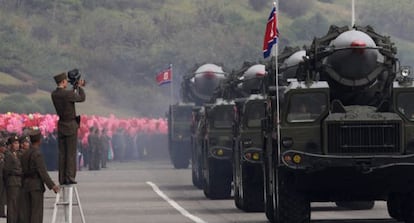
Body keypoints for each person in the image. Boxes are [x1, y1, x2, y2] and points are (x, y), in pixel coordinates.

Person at [51, 72, 86, 185]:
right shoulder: (67, 94)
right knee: (71, 153)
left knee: (62, 154)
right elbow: (81, 98)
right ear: (63, 82)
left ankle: (62, 177)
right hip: (70, 125)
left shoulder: (54, 94)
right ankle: (70, 176)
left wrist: (74, 87)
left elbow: (69, 95)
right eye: (66, 80)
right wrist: (78, 87)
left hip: (61, 124)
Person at [21, 129, 59, 223]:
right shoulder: (37, 154)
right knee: (36, 213)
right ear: (39, 141)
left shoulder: (25, 154)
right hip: (36, 186)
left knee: (27, 212)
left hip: (25, 185)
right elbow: (42, 172)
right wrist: (52, 186)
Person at [4, 133, 23, 223]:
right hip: (12, 183)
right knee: (12, 206)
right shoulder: (8, 155)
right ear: (11, 145)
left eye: (18, 143)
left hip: (18, 183)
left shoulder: (18, 154)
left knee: (17, 206)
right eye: (15, 143)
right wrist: (17, 172)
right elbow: (6, 170)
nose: (17, 145)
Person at [0, 139, 7, 218]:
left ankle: (1, 212)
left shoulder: (4, 155)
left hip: (3, 177)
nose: (4, 148)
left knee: (2, 196)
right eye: (3, 146)